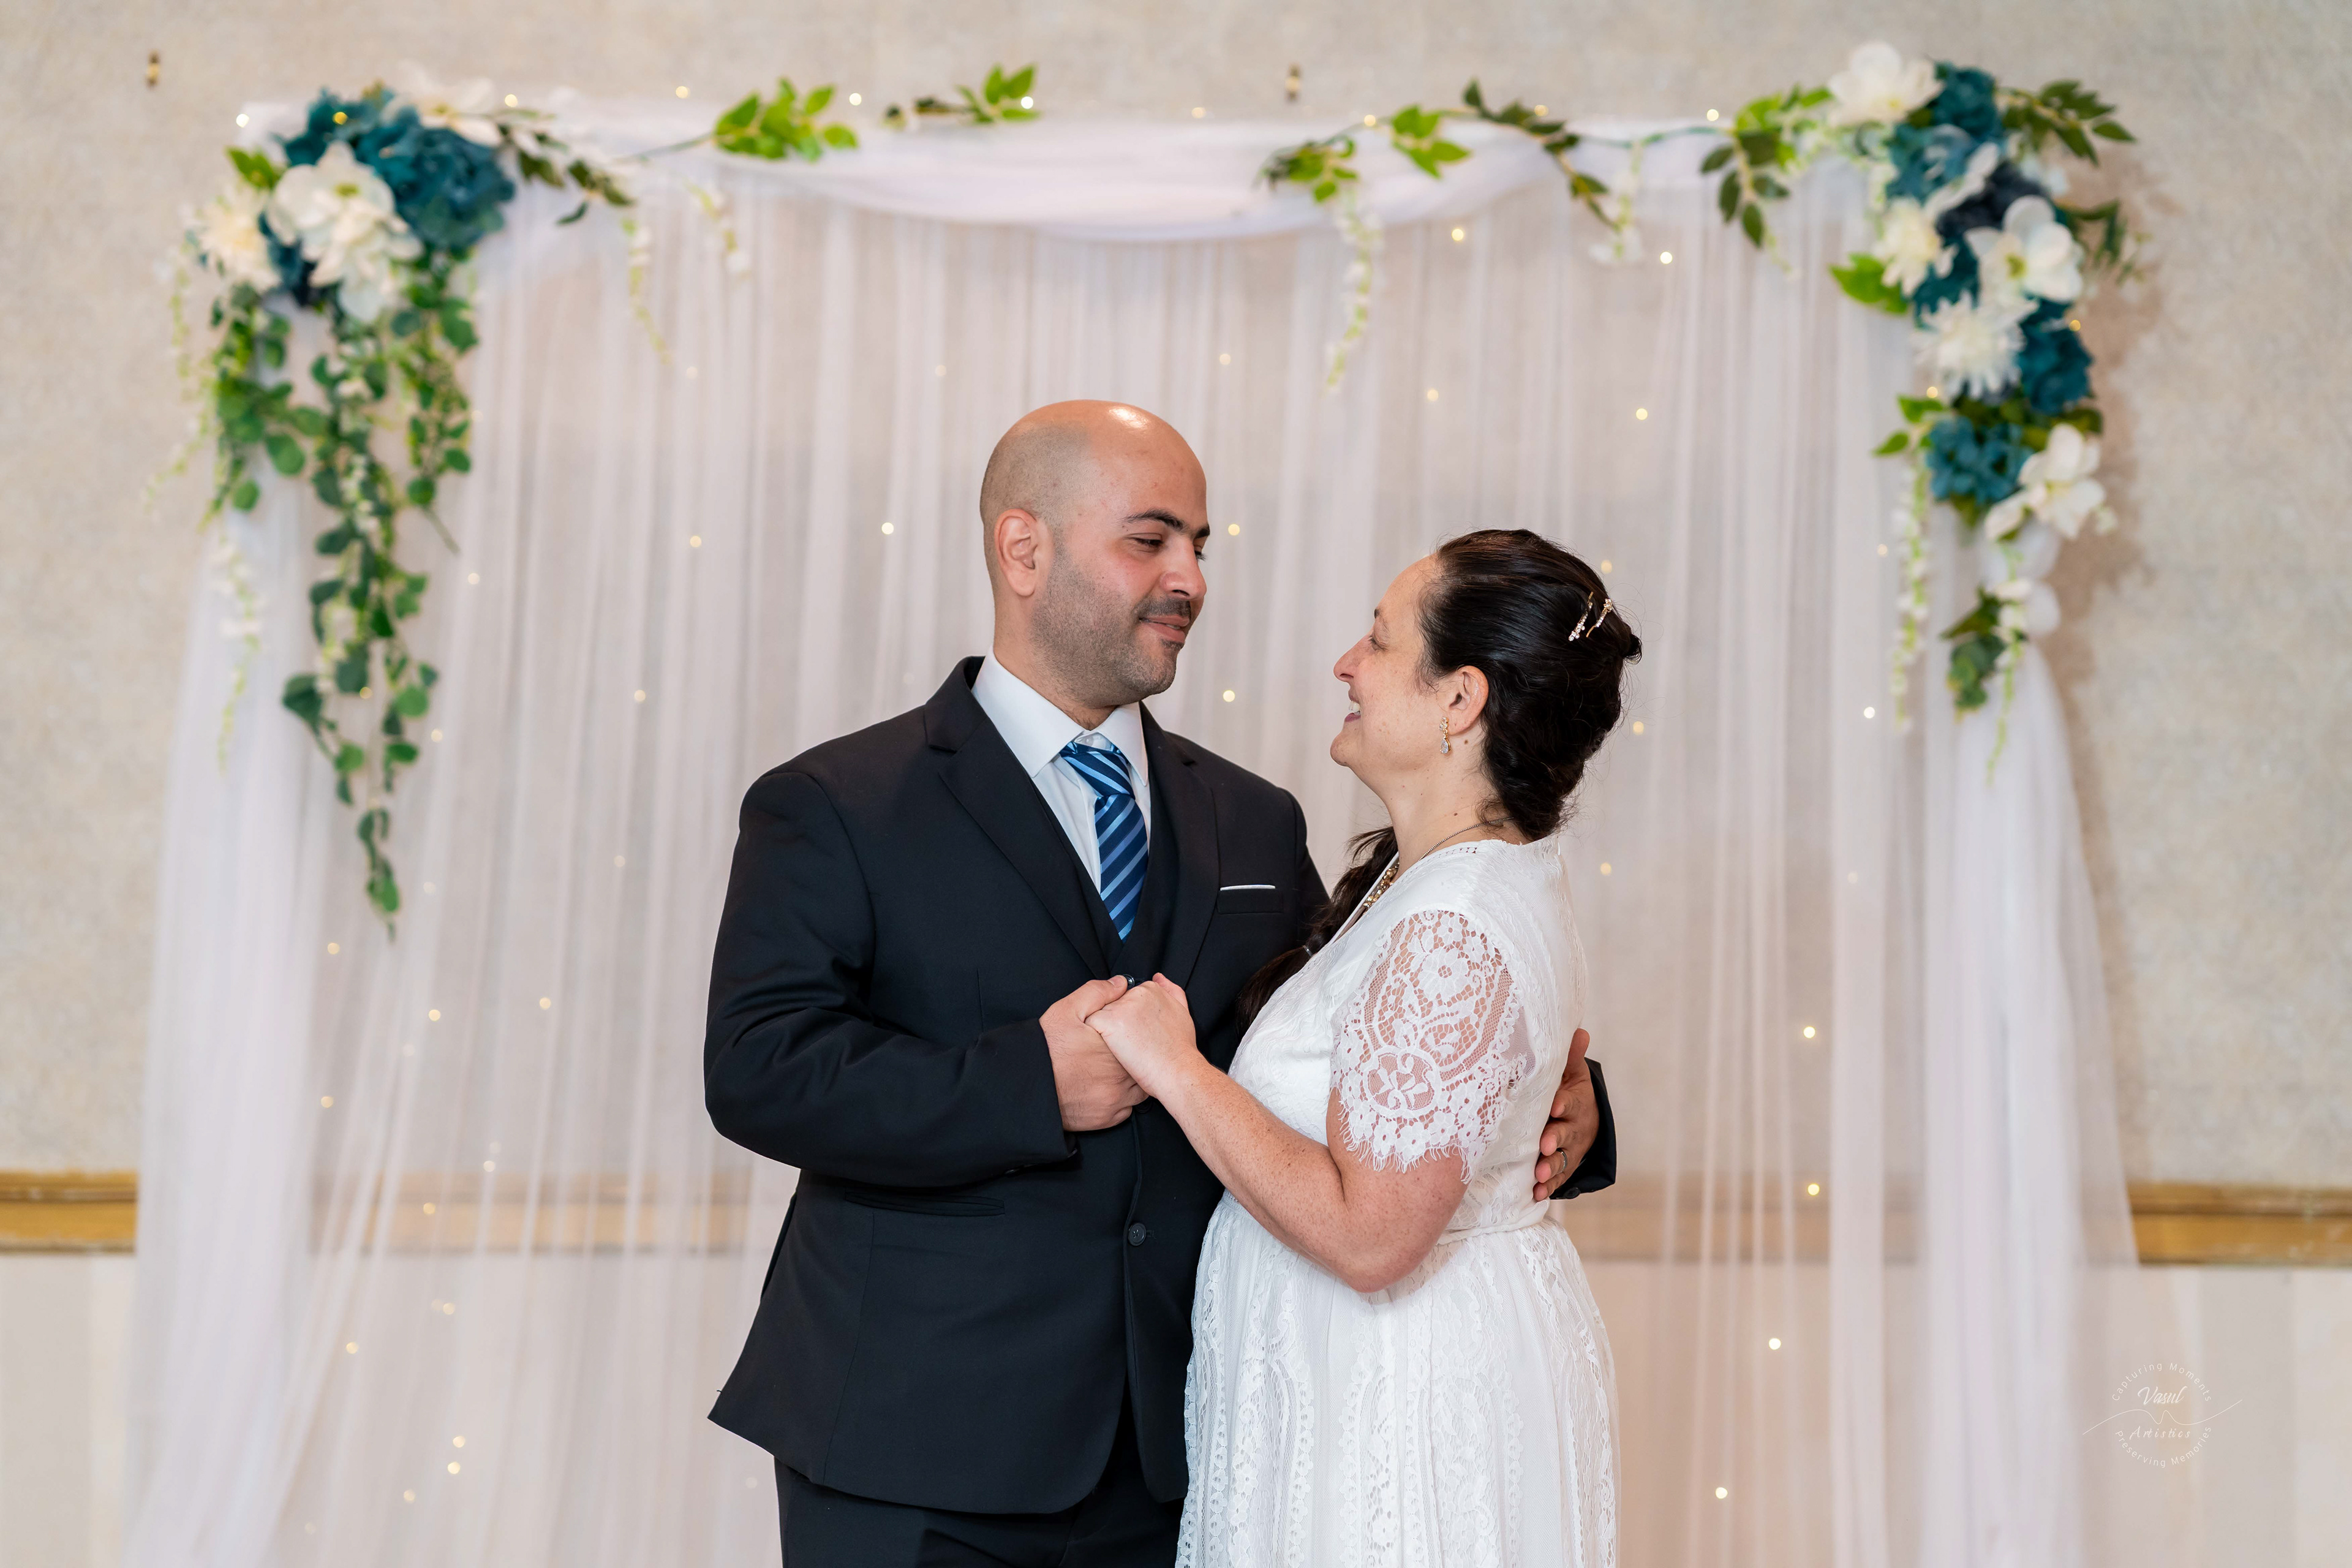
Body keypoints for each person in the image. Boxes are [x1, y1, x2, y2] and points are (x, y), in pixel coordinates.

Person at [703, 402, 1618, 1567]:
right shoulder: (838, 803)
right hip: (916, 1442)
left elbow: (1338, 1045)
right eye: (1151, 540)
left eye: (1200, 543)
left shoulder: (1253, 815)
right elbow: (758, 1071)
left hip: (1185, 1448)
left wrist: (1559, 1115)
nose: (1190, 578)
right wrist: (1028, 1084)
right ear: (1024, 550)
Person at [1088, 529, 1639, 1565]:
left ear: (1460, 699)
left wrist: (1176, 1066)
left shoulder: (1453, 920)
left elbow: (1373, 1238)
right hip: (1367, 1370)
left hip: (1392, 1392)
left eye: (1380, 641)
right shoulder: (1442, 878)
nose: (1347, 663)